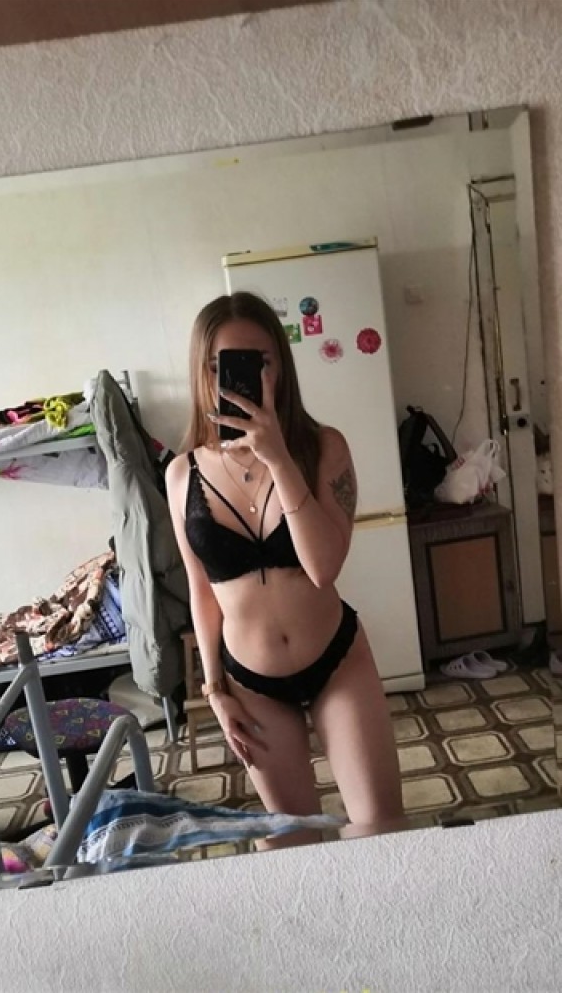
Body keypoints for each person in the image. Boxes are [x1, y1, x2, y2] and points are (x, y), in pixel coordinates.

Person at [166, 292, 403, 846]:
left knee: (382, 832)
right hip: (251, 685)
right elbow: (202, 590)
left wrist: (276, 456)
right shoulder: (181, 475)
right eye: (219, 365)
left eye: (259, 361)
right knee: (294, 843)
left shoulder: (323, 448)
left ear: (280, 367)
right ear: (202, 372)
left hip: (337, 662)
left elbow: (323, 567)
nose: (238, 379)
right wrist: (213, 688)